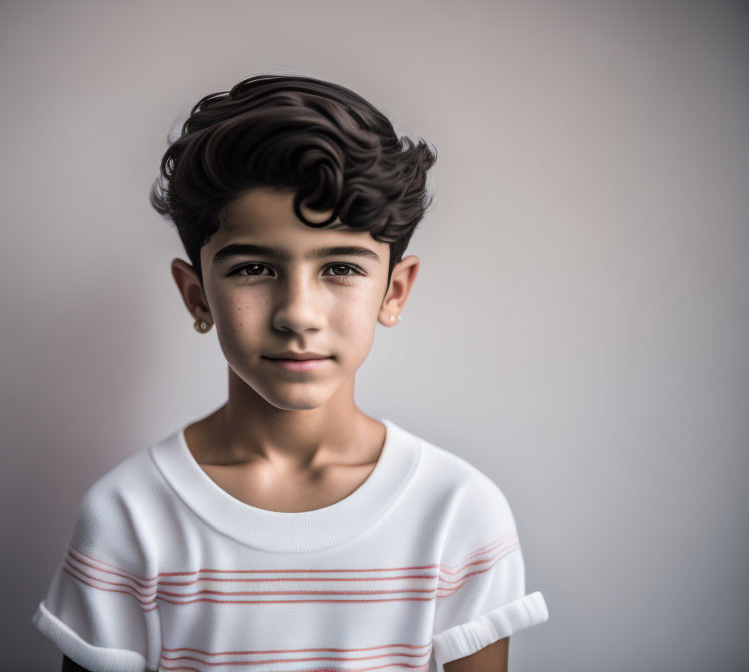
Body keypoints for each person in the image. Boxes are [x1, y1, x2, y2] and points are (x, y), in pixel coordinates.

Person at [32, 74, 548, 672]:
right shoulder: (129, 518)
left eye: (341, 268)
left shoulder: (457, 514)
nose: (297, 313)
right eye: (253, 267)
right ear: (197, 295)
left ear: (394, 291)